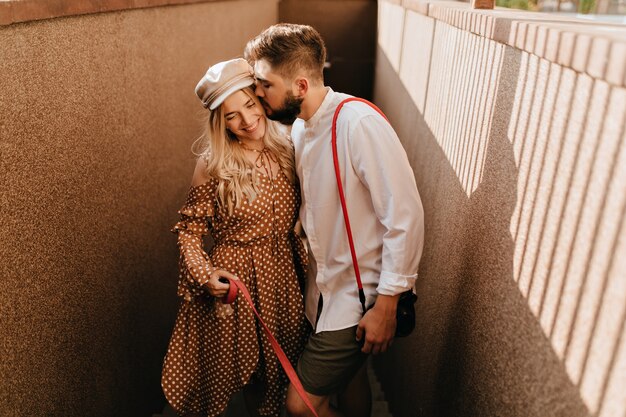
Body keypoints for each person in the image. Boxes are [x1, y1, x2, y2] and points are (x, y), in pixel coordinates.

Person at [245, 24, 425, 417]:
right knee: (349, 380)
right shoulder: (299, 130)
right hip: (322, 293)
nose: (258, 94)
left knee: (301, 404)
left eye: (265, 84)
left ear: (301, 86)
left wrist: (387, 305)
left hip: (360, 300)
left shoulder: (358, 124)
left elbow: (405, 216)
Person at [161, 58, 309, 417]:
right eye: (231, 115)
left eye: (249, 104)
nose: (246, 120)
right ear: (220, 122)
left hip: (285, 281)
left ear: (261, 100)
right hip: (235, 284)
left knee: (280, 381)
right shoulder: (212, 163)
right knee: (229, 381)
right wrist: (206, 275)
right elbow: (190, 231)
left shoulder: (289, 148)